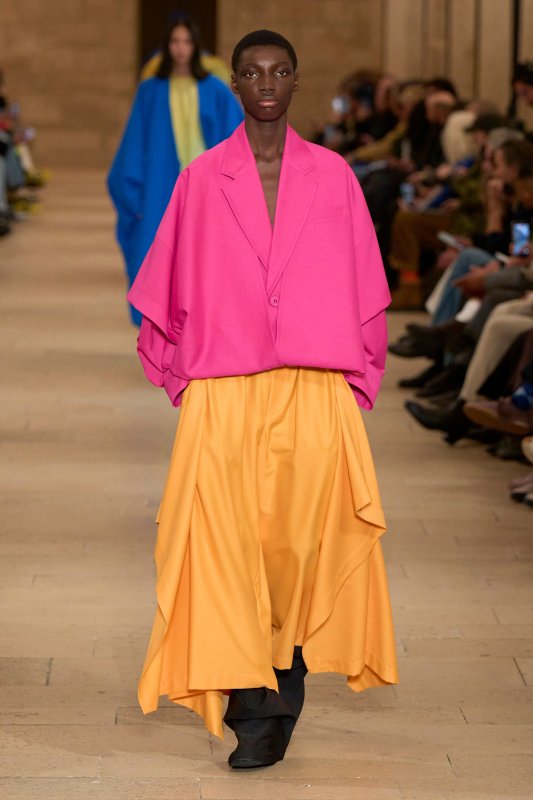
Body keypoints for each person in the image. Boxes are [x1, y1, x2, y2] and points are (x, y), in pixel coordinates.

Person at [128, 29, 398, 769]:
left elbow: (364, 281)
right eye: (252, 73)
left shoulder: (334, 176)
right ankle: (256, 708)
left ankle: (286, 678)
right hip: (224, 388)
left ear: (296, 81)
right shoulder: (200, 178)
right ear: (236, 85)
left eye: (279, 71)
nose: (267, 83)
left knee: (296, 552)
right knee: (222, 546)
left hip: (312, 387)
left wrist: (357, 373)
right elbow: (167, 280)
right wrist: (179, 368)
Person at [108, 15, 243, 325]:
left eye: (186, 41)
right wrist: (133, 197)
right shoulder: (150, 91)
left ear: (196, 46)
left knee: (206, 255)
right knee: (159, 254)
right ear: (166, 46)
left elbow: (237, 140)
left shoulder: (215, 89)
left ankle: (202, 321)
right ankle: (162, 322)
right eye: (175, 41)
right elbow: (134, 145)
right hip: (162, 187)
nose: (181, 48)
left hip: (208, 189)